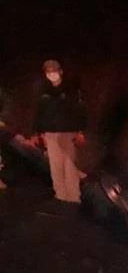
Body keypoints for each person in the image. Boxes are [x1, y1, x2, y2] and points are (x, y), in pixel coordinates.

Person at [33, 59, 87, 203]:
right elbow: (39, 113)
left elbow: (80, 111)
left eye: (54, 71)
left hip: (68, 132)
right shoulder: (43, 92)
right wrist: (38, 132)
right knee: (55, 166)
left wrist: (81, 131)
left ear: (60, 71)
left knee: (69, 165)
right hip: (50, 133)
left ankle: (73, 197)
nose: (52, 74)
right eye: (48, 72)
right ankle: (60, 196)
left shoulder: (71, 90)